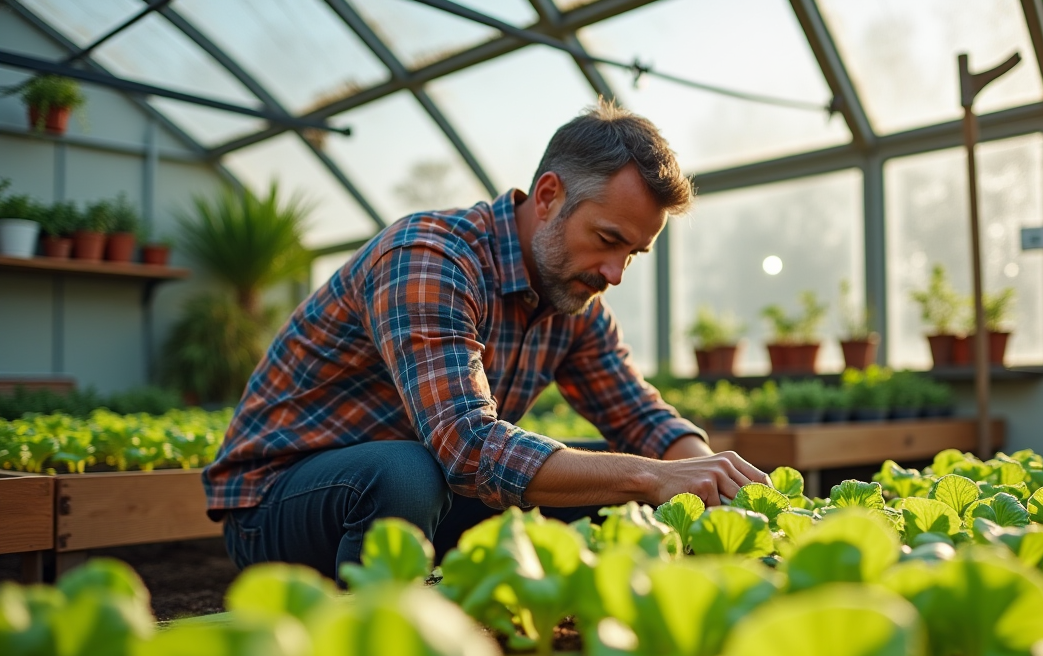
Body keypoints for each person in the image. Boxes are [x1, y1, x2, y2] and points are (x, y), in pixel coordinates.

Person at [203, 100, 767, 579]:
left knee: (608, 475)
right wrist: (653, 476)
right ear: (548, 196)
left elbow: (643, 420)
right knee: (406, 473)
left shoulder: (574, 298)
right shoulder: (429, 258)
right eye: (607, 239)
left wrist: (711, 475)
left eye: (632, 254)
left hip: (431, 494)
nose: (615, 272)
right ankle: (376, 646)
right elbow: (467, 446)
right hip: (278, 505)